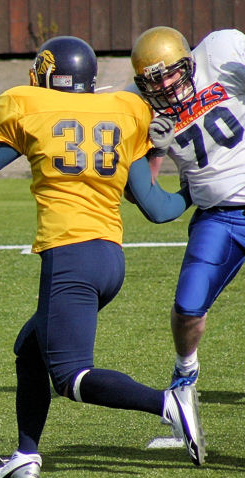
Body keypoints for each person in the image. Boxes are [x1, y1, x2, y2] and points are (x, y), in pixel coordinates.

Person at [0, 35, 204, 478]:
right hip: (109, 260)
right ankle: (25, 455)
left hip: (69, 256)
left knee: (70, 376)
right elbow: (158, 209)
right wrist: (192, 187)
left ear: (48, 75)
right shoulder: (124, 111)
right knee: (30, 351)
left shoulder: (28, 106)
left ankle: (169, 404)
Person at [131, 26, 245, 390]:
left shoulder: (221, 50)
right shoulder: (137, 106)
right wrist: (156, 149)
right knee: (187, 308)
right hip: (220, 216)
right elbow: (142, 195)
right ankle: (185, 371)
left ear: (189, 62)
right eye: (154, 81)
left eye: (170, 74)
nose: (165, 86)